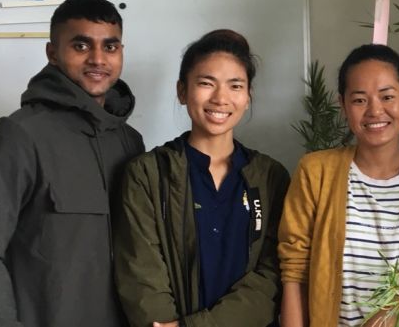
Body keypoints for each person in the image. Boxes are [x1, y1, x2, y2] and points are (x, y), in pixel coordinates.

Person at [278, 44, 399, 327]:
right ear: (343, 104)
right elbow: (295, 270)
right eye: (359, 100)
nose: (375, 110)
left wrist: (397, 316)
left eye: (387, 96)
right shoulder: (316, 172)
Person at [113, 29, 290, 327]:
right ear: (182, 91)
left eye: (235, 86)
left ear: (248, 97)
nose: (221, 98)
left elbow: (272, 275)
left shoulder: (270, 176)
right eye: (206, 83)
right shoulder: (148, 173)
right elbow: (140, 273)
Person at [0, 0, 144, 327]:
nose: (98, 59)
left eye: (110, 46)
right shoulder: (19, 135)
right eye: (81, 46)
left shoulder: (130, 141)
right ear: (52, 53)